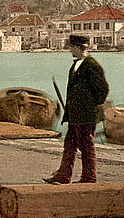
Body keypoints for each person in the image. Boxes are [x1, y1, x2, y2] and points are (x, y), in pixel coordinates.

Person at [44, 35, 109, 185]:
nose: (70, 50)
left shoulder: (92, 65)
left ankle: (89, 177)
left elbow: (102, 90)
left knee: (86, 145)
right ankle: (63, 175)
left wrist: (89, 106)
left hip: (85, 115)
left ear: (79, 48)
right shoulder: (76, 65)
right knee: (70, 145)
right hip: (75, 115)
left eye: (71, 47)